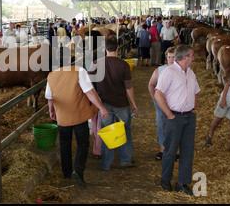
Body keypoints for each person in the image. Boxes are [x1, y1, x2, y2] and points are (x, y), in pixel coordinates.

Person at [45, 55, 108, 186]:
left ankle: (67, 173)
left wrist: (51, 111)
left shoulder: (51, 76)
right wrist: (101, 107)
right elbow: (89, 92)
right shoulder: (79, 71)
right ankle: (78, 171)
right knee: (83, 144)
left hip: (62, 117)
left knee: (64, 144)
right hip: (79, 115)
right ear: (69, 60)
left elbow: (50, 98)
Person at [154, 45, 200, 195]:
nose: (194, 58)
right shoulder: (169, 72)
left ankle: (182, 183)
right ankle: (165, 179)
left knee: (188, 151)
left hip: (188, 117)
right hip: (174, 117)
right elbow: (158, 94)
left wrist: (193, 108)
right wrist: (169, 114)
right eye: (192, 55)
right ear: (185, 57)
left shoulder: (191, 73)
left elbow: (196, 91)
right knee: (170, 150)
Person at [90, 35, 138, 170]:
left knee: (106, 131)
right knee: (125, 131)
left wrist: (97, 99)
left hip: (104, 103)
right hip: (122, 103)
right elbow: (128, 87)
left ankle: (106, 162)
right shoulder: (123, 65)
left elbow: (89, 84)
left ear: (105, 48)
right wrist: (133, 103)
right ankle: (125, 160)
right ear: (117, 47)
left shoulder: (96, 63)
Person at [148, 47, 176, 161]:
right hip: (162, 103)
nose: (171, 59)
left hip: (175, 104)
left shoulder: (181, 71)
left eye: (173, 57)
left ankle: (175, 151)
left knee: (175, 127)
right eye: (169, 57)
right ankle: (162, 150)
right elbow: (151, 84)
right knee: (161, 124)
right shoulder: (159, 70)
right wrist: (154, 98)